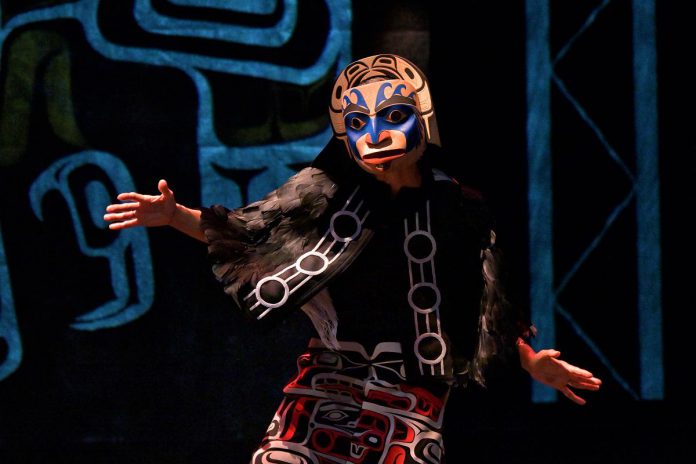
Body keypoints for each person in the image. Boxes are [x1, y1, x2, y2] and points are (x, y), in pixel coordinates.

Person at [104, 54, 601, 464]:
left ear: (422, 118)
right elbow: (245, 233)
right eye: (359, 122)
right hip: (331, 367)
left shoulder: (458, 209)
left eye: (393, 117)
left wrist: (531, 360)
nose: (376, 135)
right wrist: (173, 216)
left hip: (412, 380)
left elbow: (481, 306)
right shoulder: (321, 193)